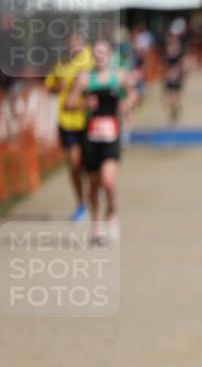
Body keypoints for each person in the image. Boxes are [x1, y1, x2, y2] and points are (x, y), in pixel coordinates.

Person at [68, 39, 137, 245]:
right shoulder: (84, 79)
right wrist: (84, 104)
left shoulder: (120, 76)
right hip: (91, 136)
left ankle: (112, 211)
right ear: (92, 55)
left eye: (103, 51)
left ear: (110, 54)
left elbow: (133, 94)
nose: (100, 55)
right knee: (94, 185)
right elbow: (70, 104)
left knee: (108, 181)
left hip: (112, 135)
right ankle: (96, 227)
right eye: (96, 52)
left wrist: (127, 104)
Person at [44, 31, 94, 221]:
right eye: (70, 41)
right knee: (74, 164)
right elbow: (49, 86)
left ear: (83, 41)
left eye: (77, 40)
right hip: (67, 121)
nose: (74, 44)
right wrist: (59, 87)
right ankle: (81, 203)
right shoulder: (61, 62)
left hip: (89, 120)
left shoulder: (91, 59)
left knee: (89, 165)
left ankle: (94, 197)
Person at [163, 32, 186, 124]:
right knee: (169, 96)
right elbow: (164, 65)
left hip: (177, 76)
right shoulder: (167, 51)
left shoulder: (179, 52)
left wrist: (176, 73)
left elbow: (181, 64)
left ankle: (176, 109)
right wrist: (168, 73)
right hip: (169, 76)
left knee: (176, 95)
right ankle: (171, 112)